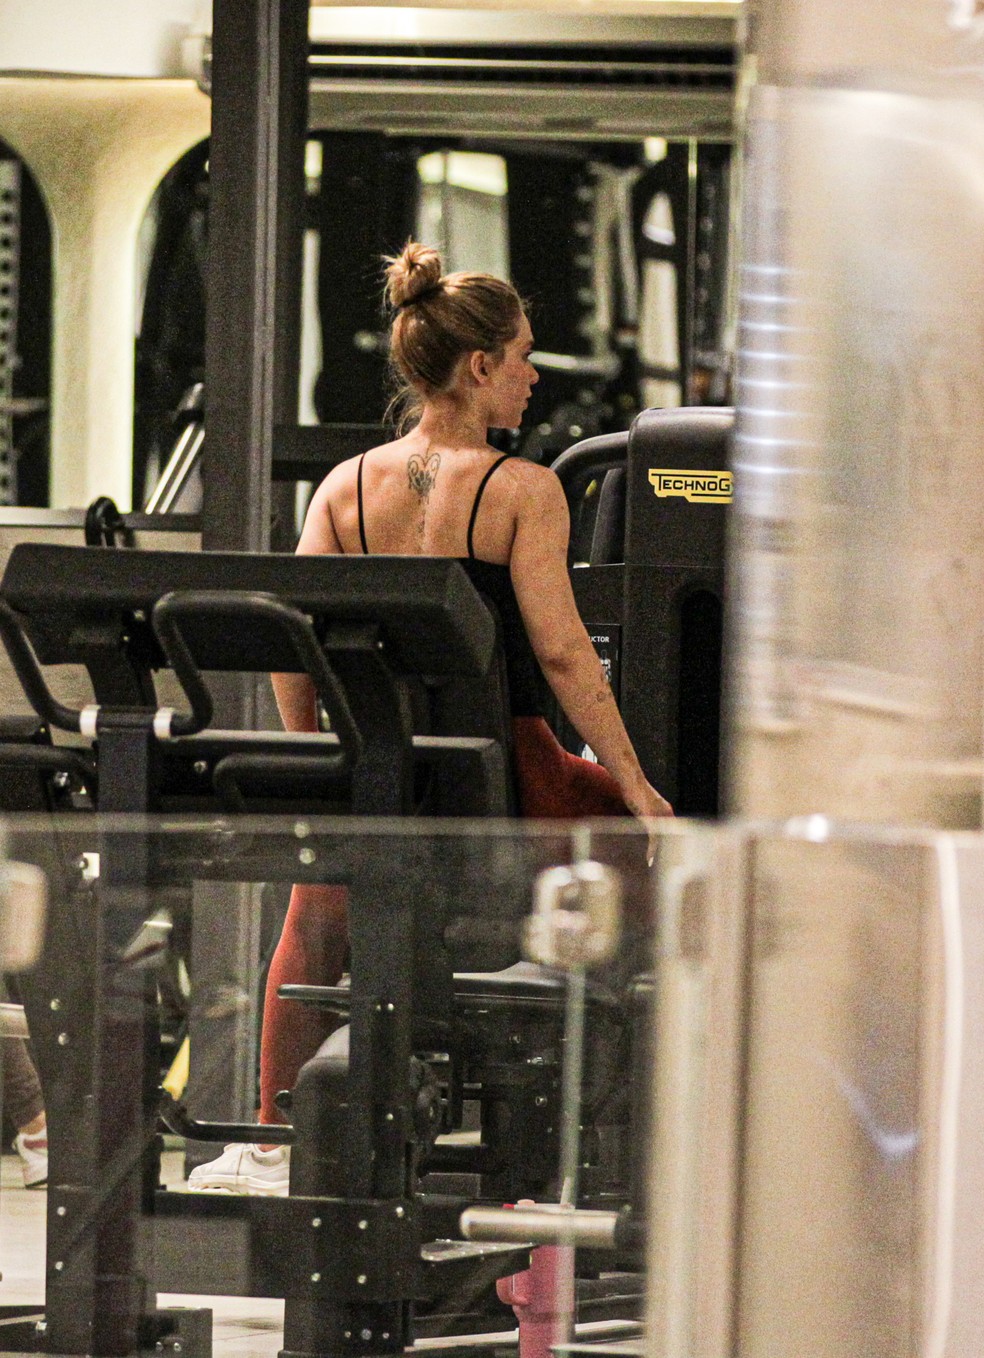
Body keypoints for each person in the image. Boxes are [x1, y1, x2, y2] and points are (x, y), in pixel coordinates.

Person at [188, 241, 672, 1196]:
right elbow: (564, 654)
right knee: (671, 871)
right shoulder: (522, 490)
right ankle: (610, 1146)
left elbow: (296, 644)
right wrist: (637, 786)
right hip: (507, 776)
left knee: (317, 916)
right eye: (523, 356)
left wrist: (323, 762)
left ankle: (270, 1144)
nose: (534, 377)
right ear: (480, 366)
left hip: (378, 769)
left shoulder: (342, 490)